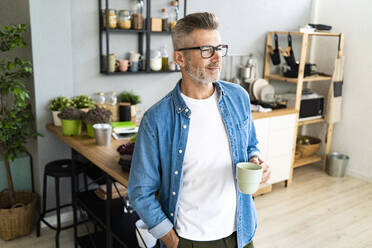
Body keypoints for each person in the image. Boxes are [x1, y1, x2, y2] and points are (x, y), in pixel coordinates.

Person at [128, 12, 271, 248]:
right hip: (188, 240)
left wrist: (256, 160)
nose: (217, 58)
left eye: (219, 48)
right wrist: (171, 240)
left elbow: (250, 145)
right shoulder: (157, 119)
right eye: (206, 50)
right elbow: (140, 192)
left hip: (241, 233)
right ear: (180, 59)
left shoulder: (238, 97)